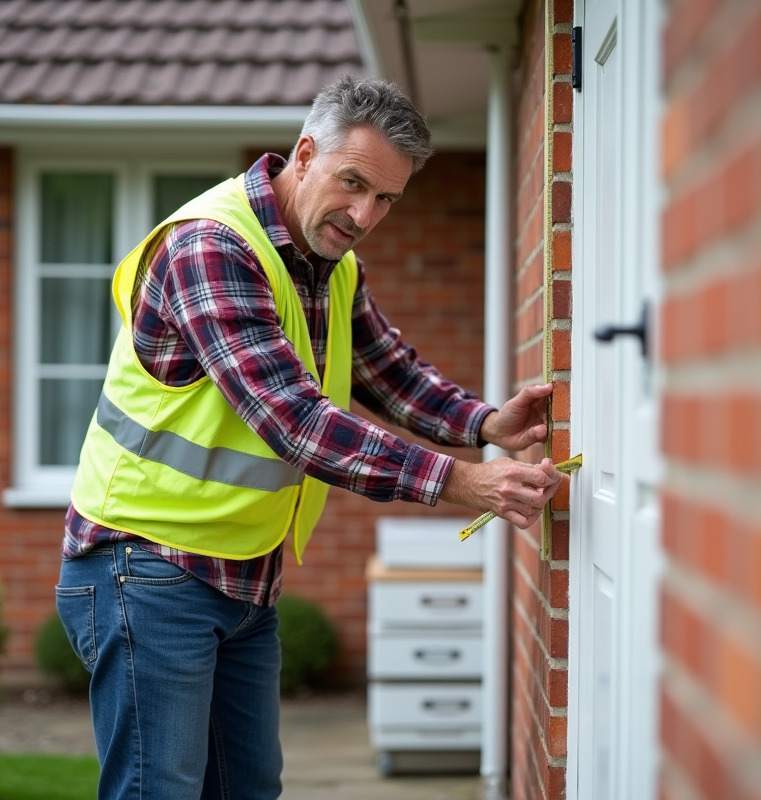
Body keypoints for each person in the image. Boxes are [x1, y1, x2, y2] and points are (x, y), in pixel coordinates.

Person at [57, 75, 564, 800]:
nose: (363, 214)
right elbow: (292, 418)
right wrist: (462, 481)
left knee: (249, 790)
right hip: (146, 567)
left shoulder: (331, 262)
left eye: (386, 198)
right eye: (352, 183)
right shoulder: (211, 247)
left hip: (242, 576)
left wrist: (486, 425)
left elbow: (387, 371)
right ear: (303, 154)